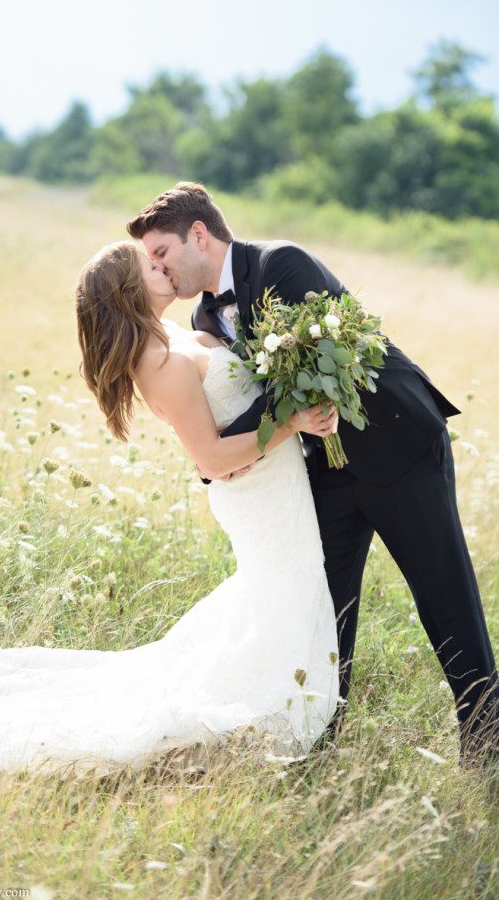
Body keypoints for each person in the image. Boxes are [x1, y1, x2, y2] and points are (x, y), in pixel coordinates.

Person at [0, 241, 342, 789]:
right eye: (150, 266)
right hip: (256, 496)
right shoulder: (158, 363)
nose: (164, 266)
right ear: (127, 292)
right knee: (286, 595)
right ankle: (275, 709)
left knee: (283, 597)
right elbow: (211, 460)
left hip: (274, 487)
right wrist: (293, 424)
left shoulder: (176, 333)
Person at [128, 180, 499, 769]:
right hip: (327, 474)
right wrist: (217, 453)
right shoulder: (203, 315)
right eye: (151, 261)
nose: (158, 267)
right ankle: (320, 746)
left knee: (443, 597)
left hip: (398, 444)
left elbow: (300, 380)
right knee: (325, 612)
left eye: (162, 253)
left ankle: (486, 743)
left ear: (198, 235)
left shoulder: (282, 263)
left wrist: (221, 453)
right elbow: (241, 394)